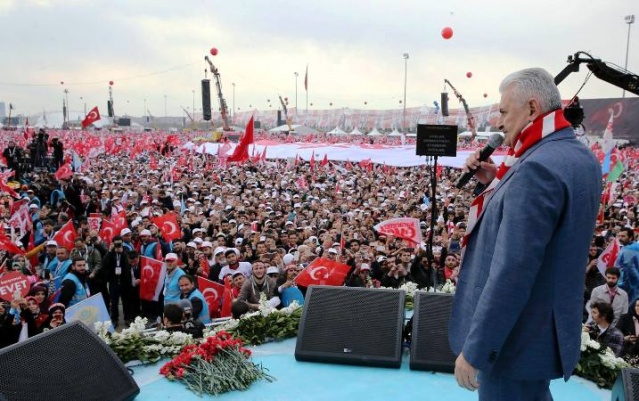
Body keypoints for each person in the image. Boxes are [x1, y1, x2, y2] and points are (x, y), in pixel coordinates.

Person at [448, 68, 602, 400]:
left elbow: (512, 271)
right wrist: (496, 182)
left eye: (504, 111)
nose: (499, 123)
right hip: (543, 331)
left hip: (513, 340)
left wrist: (477, 349)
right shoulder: (579, 156)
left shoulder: (534, 168)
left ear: (532, 108)